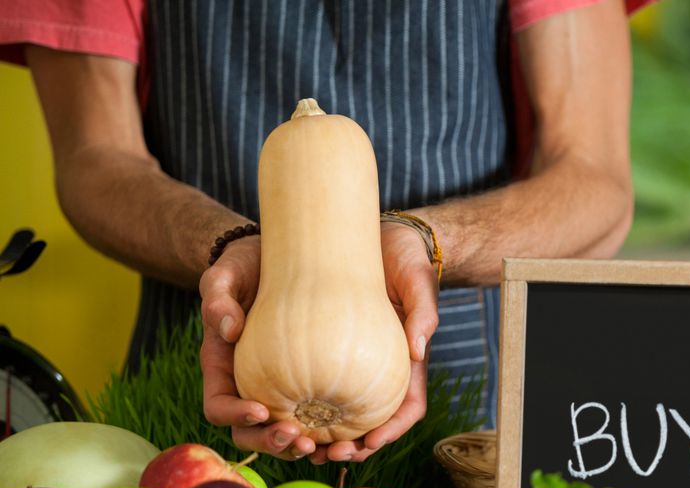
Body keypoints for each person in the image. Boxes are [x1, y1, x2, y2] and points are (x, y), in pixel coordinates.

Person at [1, 0, 643, 463]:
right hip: (205, 373)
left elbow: (596, 184)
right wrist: (228, 248)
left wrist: (426, 243)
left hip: (462, 392)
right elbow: (95, 160)